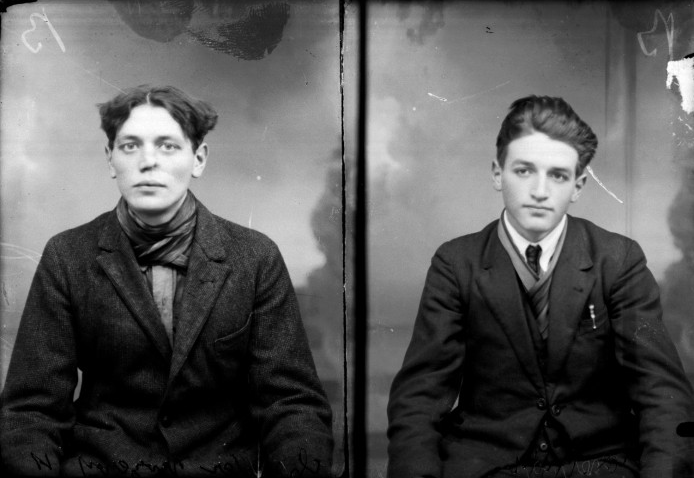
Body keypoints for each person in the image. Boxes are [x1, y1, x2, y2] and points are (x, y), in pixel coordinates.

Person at [0, 85, 333, 477]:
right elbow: (31, 412)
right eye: (130, 146)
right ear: (110, 159)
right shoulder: (68, 256)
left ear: (198, 159)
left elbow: (291, 405)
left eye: (168, 146)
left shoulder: (255, 258)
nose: (148, 162)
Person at [386, 96, 694, 478]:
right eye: (524, 171)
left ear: (578, 185)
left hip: (600, 466)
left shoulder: (617, 260)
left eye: (558, 176)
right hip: (487, 468)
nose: (540, 191)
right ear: (497, 173)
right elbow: (419, 398)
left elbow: (661, 393)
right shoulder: (456, 264)